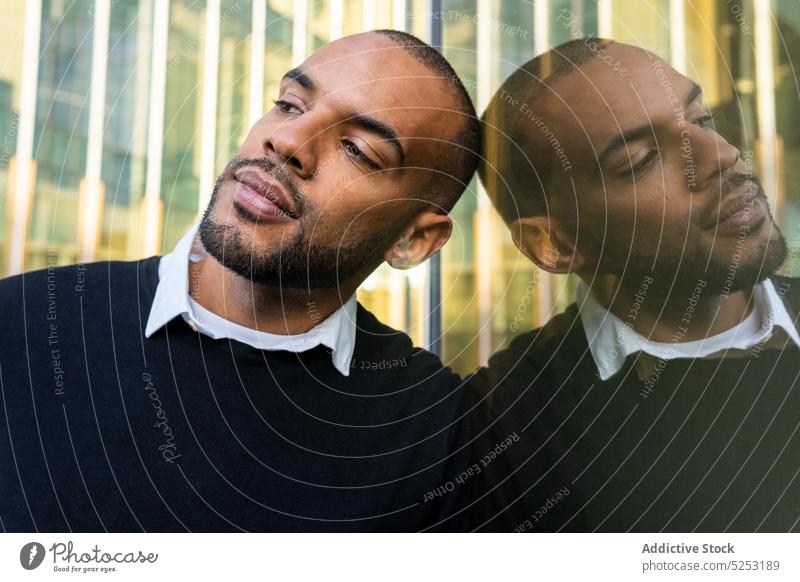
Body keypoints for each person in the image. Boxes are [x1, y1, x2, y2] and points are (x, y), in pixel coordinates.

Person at [0, 30, 480, 532]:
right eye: (290, 104)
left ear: (412, 240)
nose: (288, 141)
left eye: (358, 150)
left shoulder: (433, 430)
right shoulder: (25, 323)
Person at [471, 38, 800, 532]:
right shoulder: (502, 426)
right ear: (553, 242)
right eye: (641, 160)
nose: (723, 155)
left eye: (702, 119)